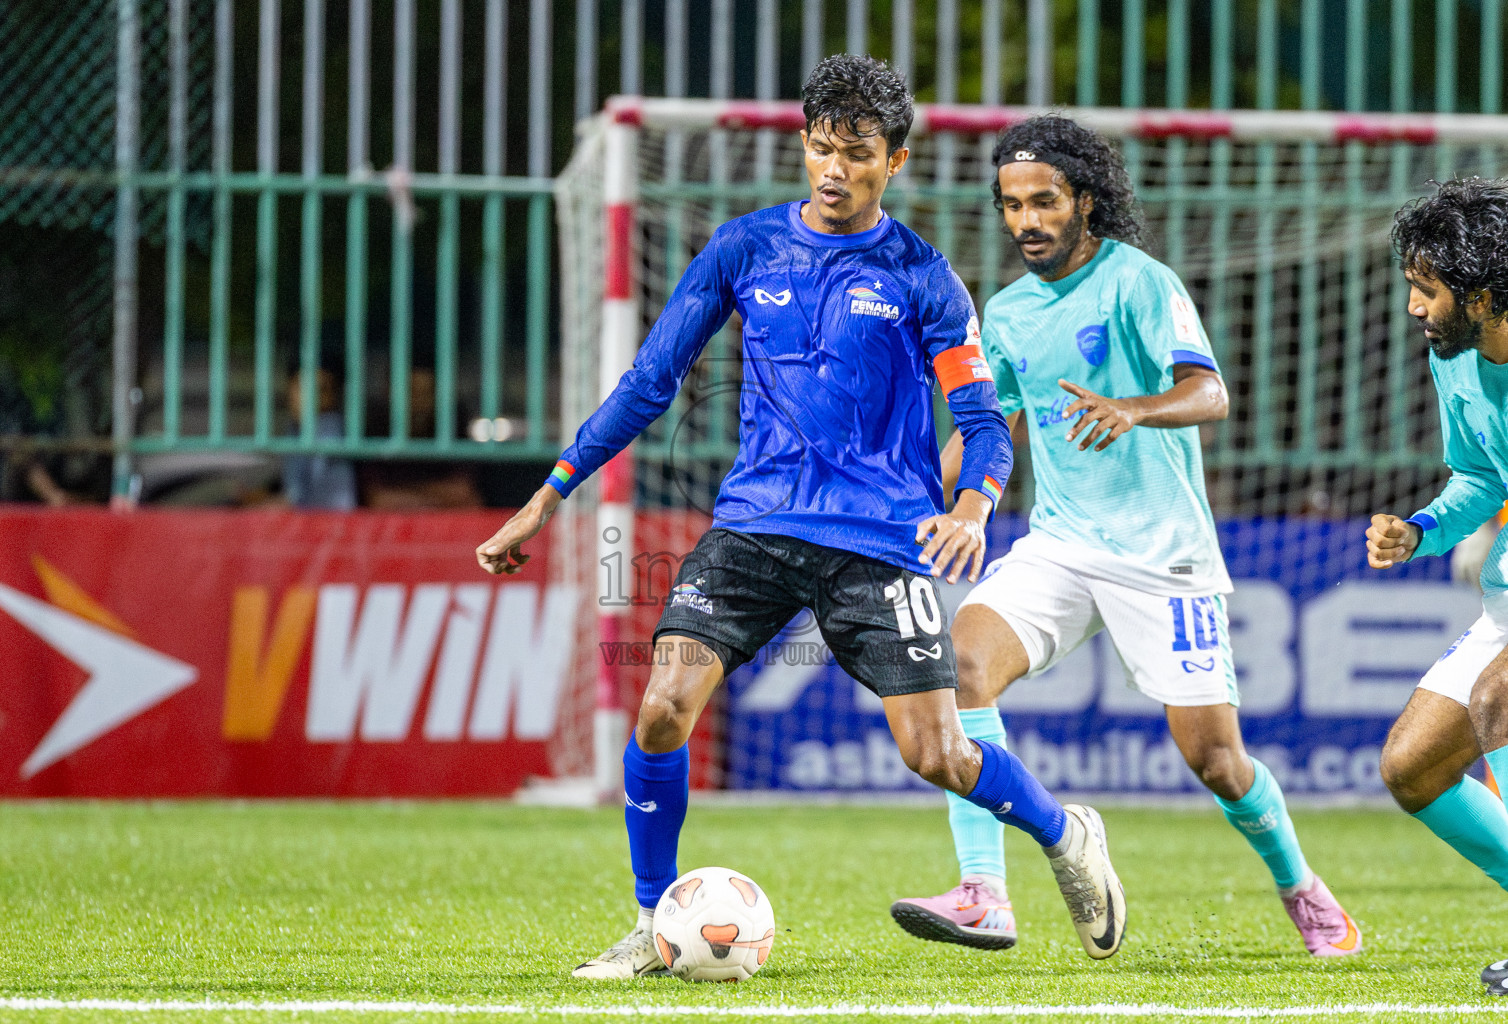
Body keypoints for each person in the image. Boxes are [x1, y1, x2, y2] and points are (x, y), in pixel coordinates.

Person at [477, 56, 1125, 978]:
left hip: (879, 541)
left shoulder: (924, 278)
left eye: (856, 154)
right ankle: (655, 924)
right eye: (820, 148)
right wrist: (549, 496)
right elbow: (650, 383)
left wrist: (975, 505)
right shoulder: (744, 249)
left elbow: (983, 423)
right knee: (661, 706)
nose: (833, 169)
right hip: (756, 524)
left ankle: (1067, 838)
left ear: (893, 161)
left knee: (937, 753)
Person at [890, 114, 1360, 958]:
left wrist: (1132, 410)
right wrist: (928, 492)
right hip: (1062, 543)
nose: (1026, 221)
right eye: (1010, 205)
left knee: (1218, 763)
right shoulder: (1004, 311)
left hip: (1163, 554)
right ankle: (985, 892)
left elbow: (1209, 393)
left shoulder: (1140, 283)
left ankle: (1302, 885)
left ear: (1085, 202)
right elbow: (989, 422)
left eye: (1043, 202)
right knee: (959, 665)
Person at [1367, 178, 1508, 996]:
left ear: (1484, 293)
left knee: (1498, 703)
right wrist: (1421, 529)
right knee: (1412, 768)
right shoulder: (1453, 357)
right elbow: (1481, 477)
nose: (1416, 306)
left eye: (1428, 288)